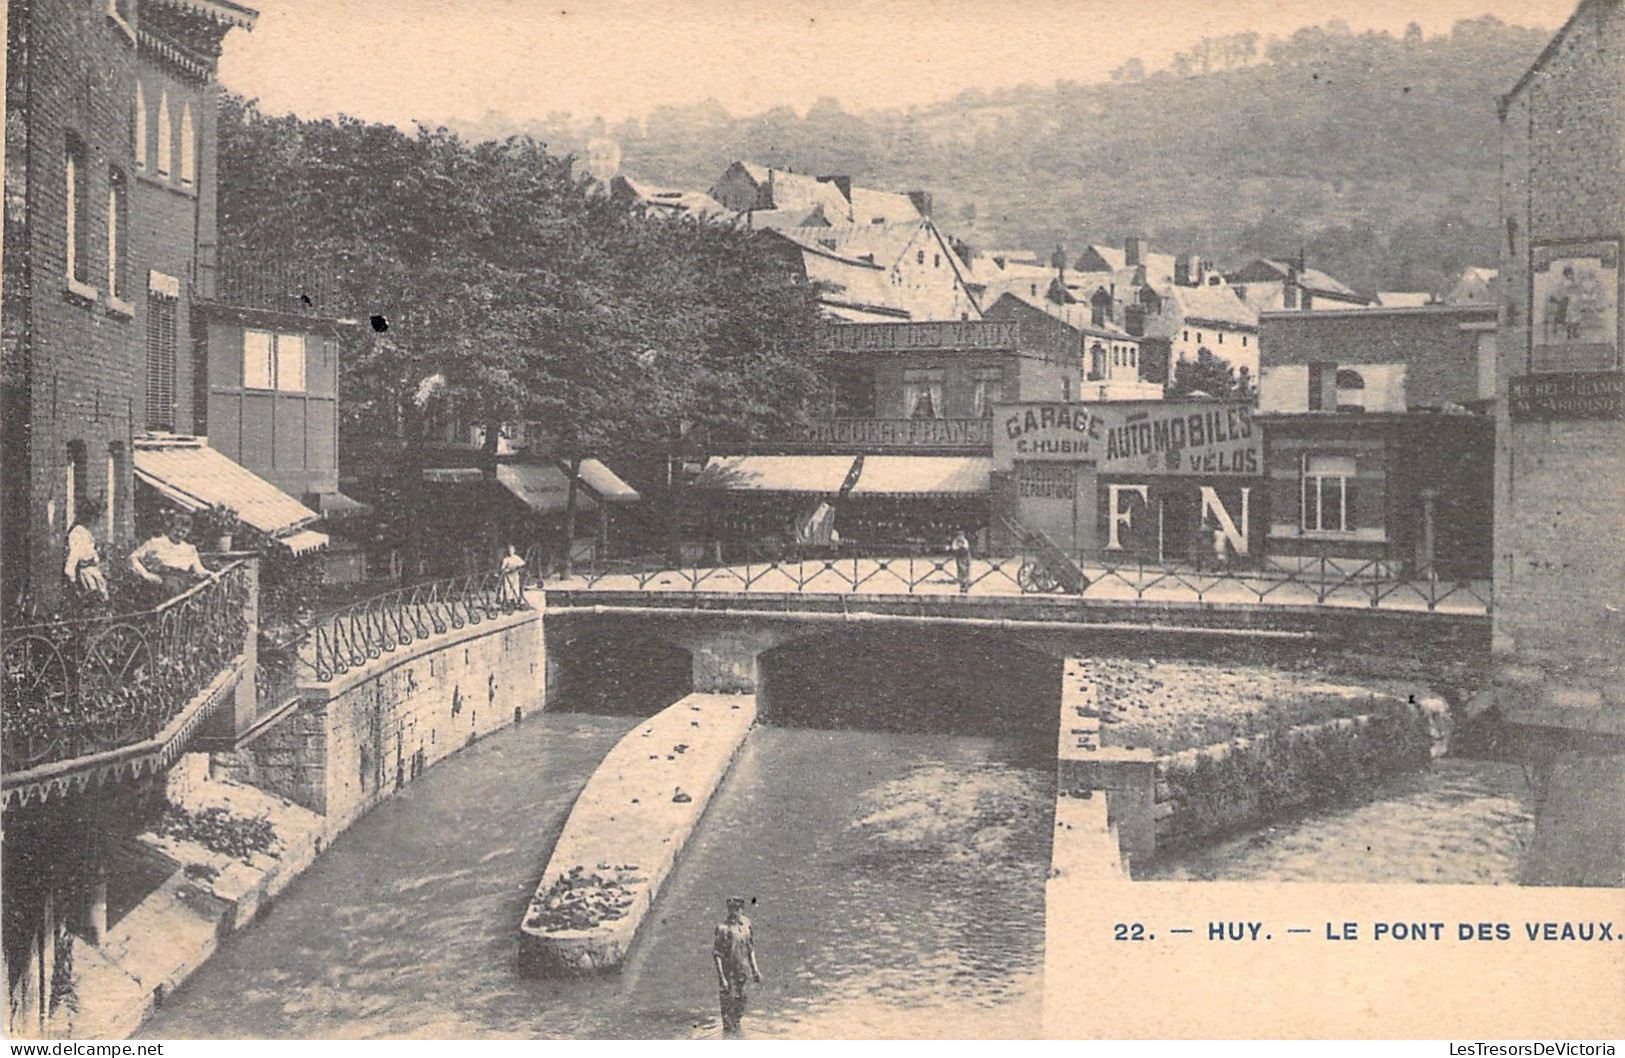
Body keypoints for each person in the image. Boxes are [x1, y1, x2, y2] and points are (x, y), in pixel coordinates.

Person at [130, 512, 212, 603]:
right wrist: (146, 574)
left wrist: (210, 574)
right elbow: (133, 557)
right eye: (177, 530)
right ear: (170, 528)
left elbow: (199, 569)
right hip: (161, 581)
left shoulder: (189, 549)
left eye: (183, 532)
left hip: (183, 582)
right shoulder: (156, 543)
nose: (179, 534)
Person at [713, 897, 762, 1034]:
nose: (733, 913)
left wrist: (755, 970)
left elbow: (750, 949)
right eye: (731, 910)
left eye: (737, 909)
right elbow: (717, 955)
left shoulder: (746, 925)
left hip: (742, 970)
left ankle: (737, 1029)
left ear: (742, 910)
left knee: (742, 999)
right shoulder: (722, 929)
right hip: (728, 971)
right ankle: (728, 1032)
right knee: (728, 1001)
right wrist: (721, 978)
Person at [63, 498, 109, 603]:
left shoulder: (86, 533)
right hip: (86, 578)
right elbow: (73, 557)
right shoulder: (78, 533)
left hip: (93, 575)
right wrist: (73, 581)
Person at [949, 529, 972, 594]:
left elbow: (966, 547)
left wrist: (961, 547)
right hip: (959, 556)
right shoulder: (955, 541)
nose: (960, 537)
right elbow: (954, 548)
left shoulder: (965, 541)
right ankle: (961, 578)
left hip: (966, 555)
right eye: (959, 536)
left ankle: (966, 579)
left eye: (961, 536)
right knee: (960, 567)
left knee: (967, 567)